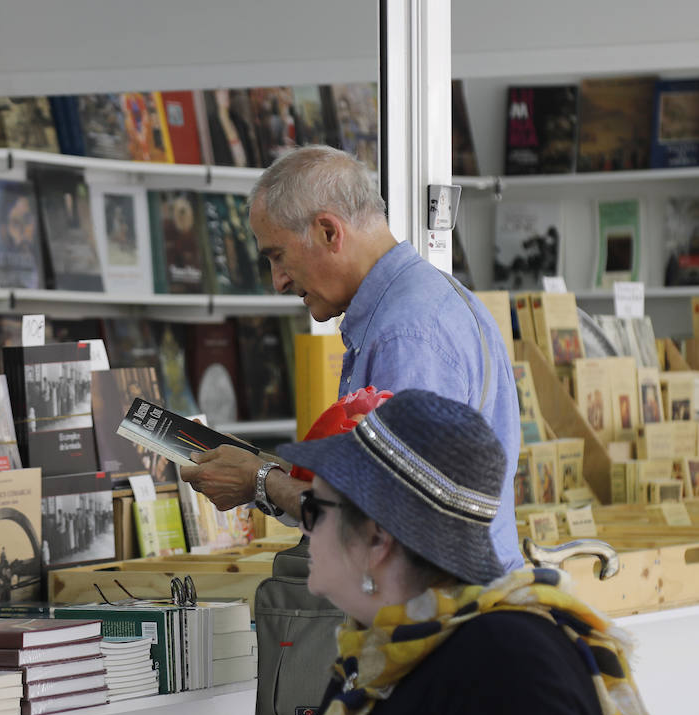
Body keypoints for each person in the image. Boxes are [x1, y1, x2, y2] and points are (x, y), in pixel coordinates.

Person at [92, 390, 677, 715]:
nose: (303, 530)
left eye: (314, 511)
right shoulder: (382, 651)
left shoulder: (506, 658)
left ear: (376, 539)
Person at [179, 145, 522, 573]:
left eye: (278, 256)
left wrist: (259, 480)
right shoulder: (430, 303)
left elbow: (380, 516)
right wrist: (260, 469)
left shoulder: (406, 335)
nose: (278, 281)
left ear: (328, 232)